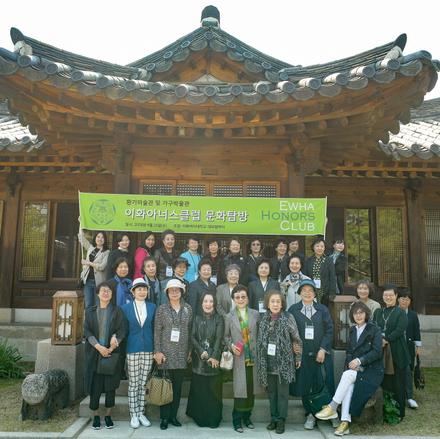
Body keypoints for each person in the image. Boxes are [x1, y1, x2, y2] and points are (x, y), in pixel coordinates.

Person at [315, 301, 384, 436]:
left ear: (366, 314)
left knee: (347, 376)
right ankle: (345, 423)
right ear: (352, 316)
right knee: (349, 387)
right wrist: (352, 365)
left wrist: (359, 361)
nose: (358, 316)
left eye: (361, 313)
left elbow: (377, 352)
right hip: (355, 371)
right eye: (355, 313)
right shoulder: (352, 330)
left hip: (372, 371)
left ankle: (332, 406)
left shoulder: (374, 329)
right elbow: (350, 352)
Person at [288, 279, 334, 430]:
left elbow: (329, 330)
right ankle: (310, 414)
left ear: (315, 293)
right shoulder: (293, 310)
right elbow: (289, 332)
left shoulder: (322, 309)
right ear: (299, 293)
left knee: (322, 383)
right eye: (304, 290)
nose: (307, 293)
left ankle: (327, 412)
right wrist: (294, 347)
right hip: (302, 355)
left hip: (320, 354)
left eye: (310, 290)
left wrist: (322, 349)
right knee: (305, 385)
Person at [257, 291, 302, 434]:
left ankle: (281, 420)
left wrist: (298, 357)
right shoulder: (263, 319)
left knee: (282, 394)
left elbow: (296, 339)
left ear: (282, 304)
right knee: (271, 393)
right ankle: (274, 418)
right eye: (272, 301)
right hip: (268, 363)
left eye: (278, 301)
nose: (275, 304)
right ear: (268, 304)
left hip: (284, 363)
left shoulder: (288, 317)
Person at [84, 282, 126, 430]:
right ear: (97, 293)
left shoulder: (117, 311)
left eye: (108, 291)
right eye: (103, 291)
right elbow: (87, 331)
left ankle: (108, 415)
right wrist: (99, 347)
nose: (106, 293)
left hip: (111, 355)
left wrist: (113, 345)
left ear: (112, 294)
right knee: (95, 387)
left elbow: (122, 330)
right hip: (95, 354)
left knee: (110, 388)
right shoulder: (90, 311)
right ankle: (95, 416)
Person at [153, 278, 193, 430]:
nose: (175, 293)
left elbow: (190, 331)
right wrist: (157, 352)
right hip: (165, 355)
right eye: (172, 290)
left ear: (181, 292)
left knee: (177, 388)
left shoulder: (188, 309)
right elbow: (157, 332)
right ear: (167, 293)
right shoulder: (162, 309)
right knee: (165, 387)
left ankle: (173, 416)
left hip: (182, 354)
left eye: (177, 290)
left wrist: (189, 351)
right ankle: (164, 417)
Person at [224, 285, 261, 433]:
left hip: (253, 357)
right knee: (240, 391)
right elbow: (225, 337)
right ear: (233, 299)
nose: (240, 299)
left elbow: (260, 334)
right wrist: (231, 346)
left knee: (251, 389)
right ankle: (237, 419)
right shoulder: (229, 316)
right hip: (239, 357)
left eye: (243, 297)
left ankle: (247, 417)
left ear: (247, 298)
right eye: (237, 297)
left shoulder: (256, 314)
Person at [121, 278, 156, 429]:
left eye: (144, 289)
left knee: (143, 383)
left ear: (147, 291)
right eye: (139, 289)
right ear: (133, 291)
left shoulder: (153, 307)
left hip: (148, 347)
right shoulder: (125, 309)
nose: (142, 291)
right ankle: (133, 414)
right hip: (132, 348)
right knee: (134, 383)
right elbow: (122, 329)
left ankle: (141, 412)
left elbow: (155, 328)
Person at [186, 292, 224, 428]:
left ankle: (213, 419)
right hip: (199, 360)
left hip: (214, 361)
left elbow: (219, 339)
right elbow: (192, 337)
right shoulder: (196, 318)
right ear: (201, 303)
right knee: (200, 391)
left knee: (213, 392)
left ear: (214, 303)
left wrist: (214, 356)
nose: (208, 304)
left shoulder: (219, 319)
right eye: (205, 301)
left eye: (210, 301)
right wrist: (201, 351)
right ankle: (200, 418)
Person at [373, 284, 410, 420]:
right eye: (385, 295)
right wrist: (379, 340)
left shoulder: (401, 312)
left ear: (396, 296)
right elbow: (373, 328)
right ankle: (386, 410)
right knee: (385, 382)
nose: (388, 297)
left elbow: (399, 330)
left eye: (391, 295)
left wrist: (386, 339)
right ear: (382, 297)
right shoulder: (378, 312)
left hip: (397, 351)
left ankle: (399, 412)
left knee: (398, 382)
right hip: (381, 352)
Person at [398, 287, 422, 409]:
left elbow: (416, 331)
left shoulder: (412, 315)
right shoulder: (393, 312)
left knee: (408, 371)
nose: (405, 301)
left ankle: (410, 397)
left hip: (408, 347)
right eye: (403, 299)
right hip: (395, 347)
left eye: (408, 299)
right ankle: (396, 395)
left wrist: (418, 346)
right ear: (398, 299)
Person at [78, 228, 110, 308]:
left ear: (105, 240)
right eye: (98, 237)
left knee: (97, 305)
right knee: (88, 305)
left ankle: (97, 321)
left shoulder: (106, 252)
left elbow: (102, 267)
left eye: (102, 237)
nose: (100, 239)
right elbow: (81, 238)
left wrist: (88, 263)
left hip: (99, 282)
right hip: (88, 281)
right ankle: (88, 321)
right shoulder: (91, 248)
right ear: (95, 238)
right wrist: (80, 224)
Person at [303, 237, 337, 304]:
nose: (319, 248)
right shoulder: (308, 260)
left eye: (322, 246)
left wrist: (332, 292)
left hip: (325, 291)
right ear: (313, 247)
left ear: (324, 248)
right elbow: (305, 276)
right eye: (317, 246)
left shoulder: (328, 260)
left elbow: (332, 277)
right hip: (311, 290)